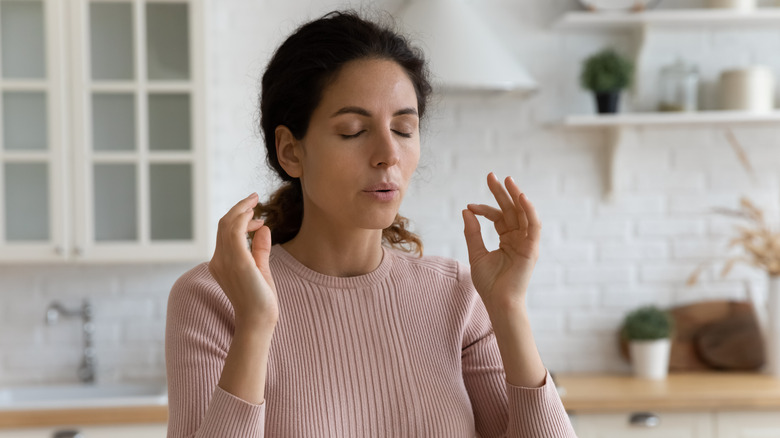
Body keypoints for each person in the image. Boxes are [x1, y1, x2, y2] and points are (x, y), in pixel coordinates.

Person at [165, 10, 577, 438]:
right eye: (353, 130)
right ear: (291, 151)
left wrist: (508, 309)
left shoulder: (458, 296)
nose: (388, 154)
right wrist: (255, 323)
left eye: (403, 128)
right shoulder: (213, 298)